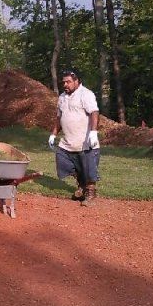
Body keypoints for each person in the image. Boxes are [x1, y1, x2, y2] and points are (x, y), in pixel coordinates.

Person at [49, 69, 101, 205]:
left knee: (89, 168)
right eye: (64, 82)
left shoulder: (86, 94)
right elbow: (59, 117)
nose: (65, 84)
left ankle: (90, 193)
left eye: (68, 82)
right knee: (63, 161)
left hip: (85, 142)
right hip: (68, 142)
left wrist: (93, 132)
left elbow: (94, 112)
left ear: (77, 81)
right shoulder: (62, 97)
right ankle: (82, 186)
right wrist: (53, 134)